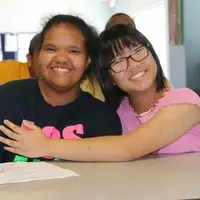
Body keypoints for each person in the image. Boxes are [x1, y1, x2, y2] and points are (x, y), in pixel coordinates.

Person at [1, 25, 200, 162]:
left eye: (138, 52)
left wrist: (46, 145)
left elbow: (127, 148)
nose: (133, 65)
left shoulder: (184, 101)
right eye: (118, 61)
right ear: (109, 77)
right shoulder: (117, 113)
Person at [0, 15, 122, 163]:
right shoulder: (6, 99)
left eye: (74, 51)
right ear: (38, 56)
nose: (62, 58)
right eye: (51, 49)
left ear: (88, 61)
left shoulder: (103, 119)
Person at [0, 34, 104, 100]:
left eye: (73, 52)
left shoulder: (77, 86)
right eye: (50, 51)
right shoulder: (6, 70)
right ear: (29, 59)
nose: (60, 60)